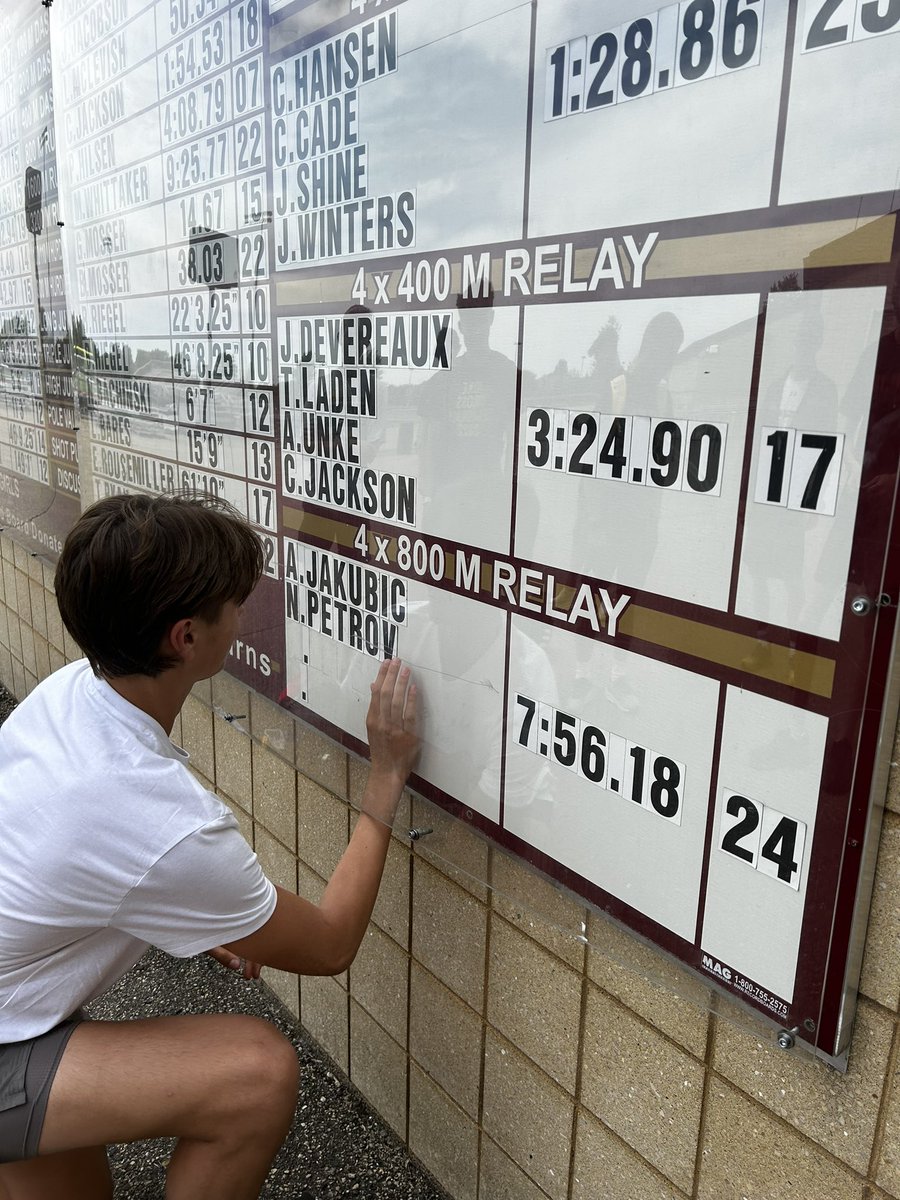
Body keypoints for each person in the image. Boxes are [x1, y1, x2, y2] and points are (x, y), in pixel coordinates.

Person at [0, 492, 420, 1200]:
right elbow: (328, 946)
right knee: (256, 1073)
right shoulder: (160, 821)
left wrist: (195, 917)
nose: (245, 614)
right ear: (186, 638)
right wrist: (386, 777)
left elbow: (65, 866)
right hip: (10, 1038)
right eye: (234, 602)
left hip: (17, 1012)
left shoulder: (72, 692)